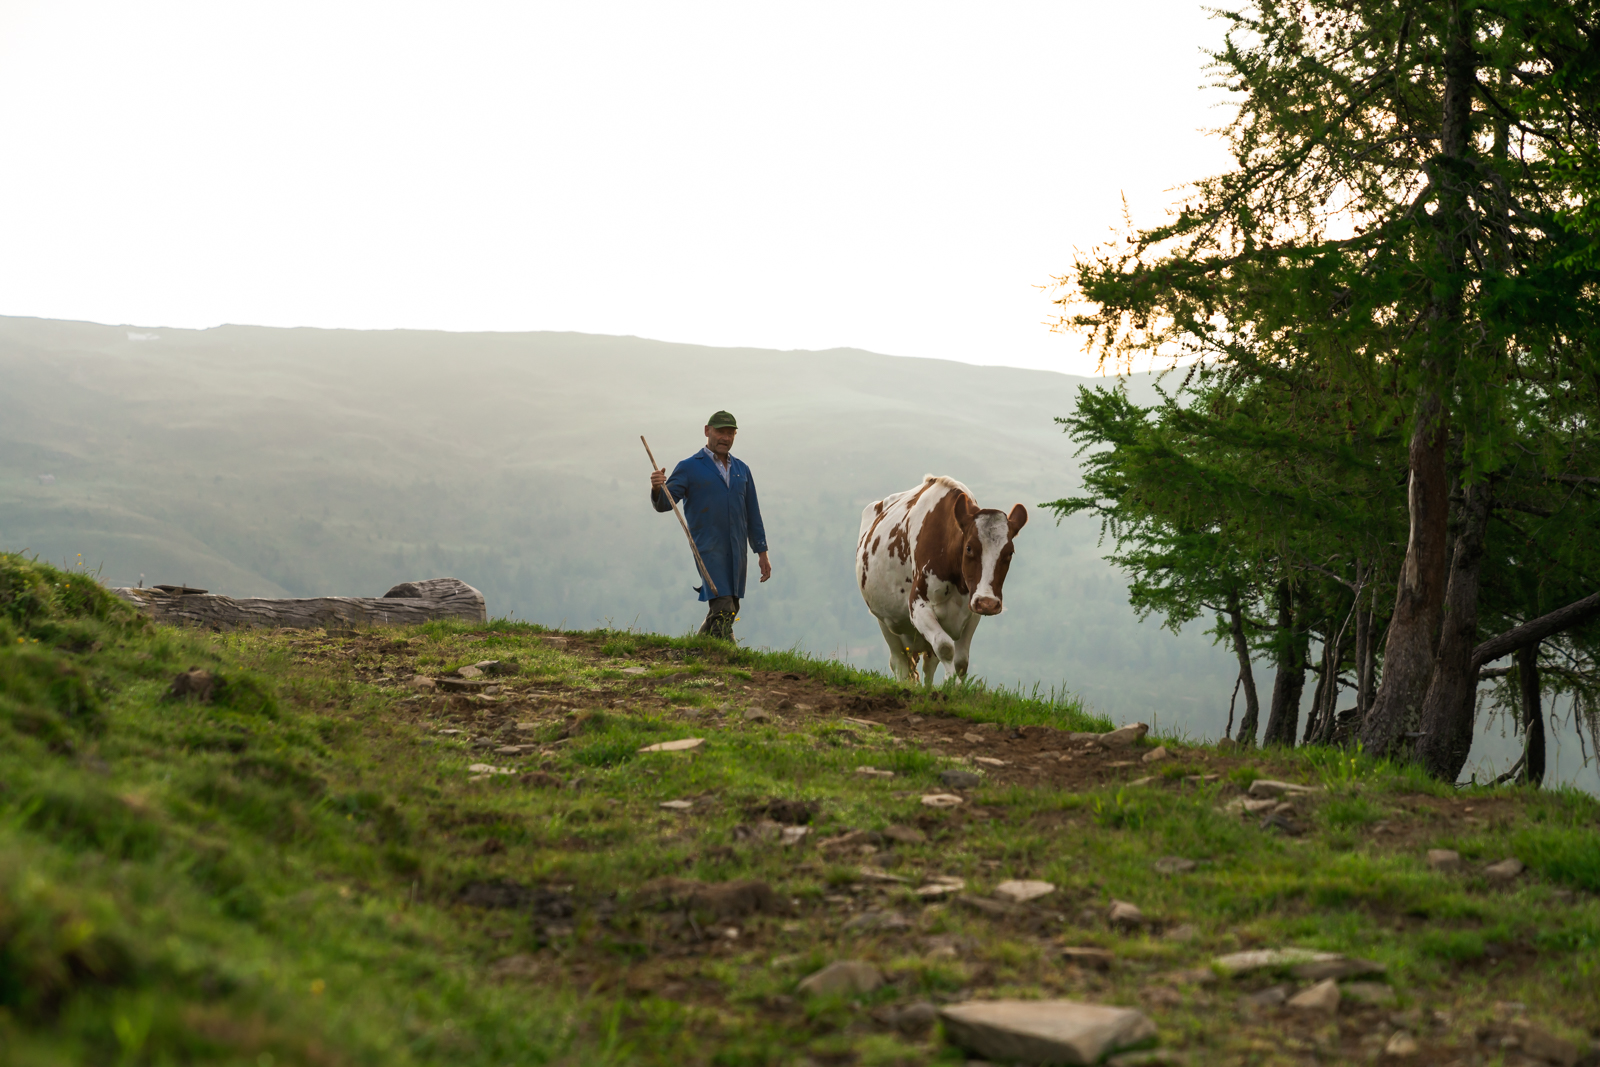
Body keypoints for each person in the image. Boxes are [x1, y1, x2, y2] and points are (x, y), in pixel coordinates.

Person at [649, 410, 771, 639]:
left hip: (737, 550)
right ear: (707, 431)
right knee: (725, 606)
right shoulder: (689, 467)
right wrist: (657, 487)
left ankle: (698, 649)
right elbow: (665, 504)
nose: (726, 438)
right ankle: (724, 658)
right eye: (720, 432)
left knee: (730, 605)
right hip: (708, 548)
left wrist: (762, 552)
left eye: (730, 433)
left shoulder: (742, 470)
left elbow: (752, 514)